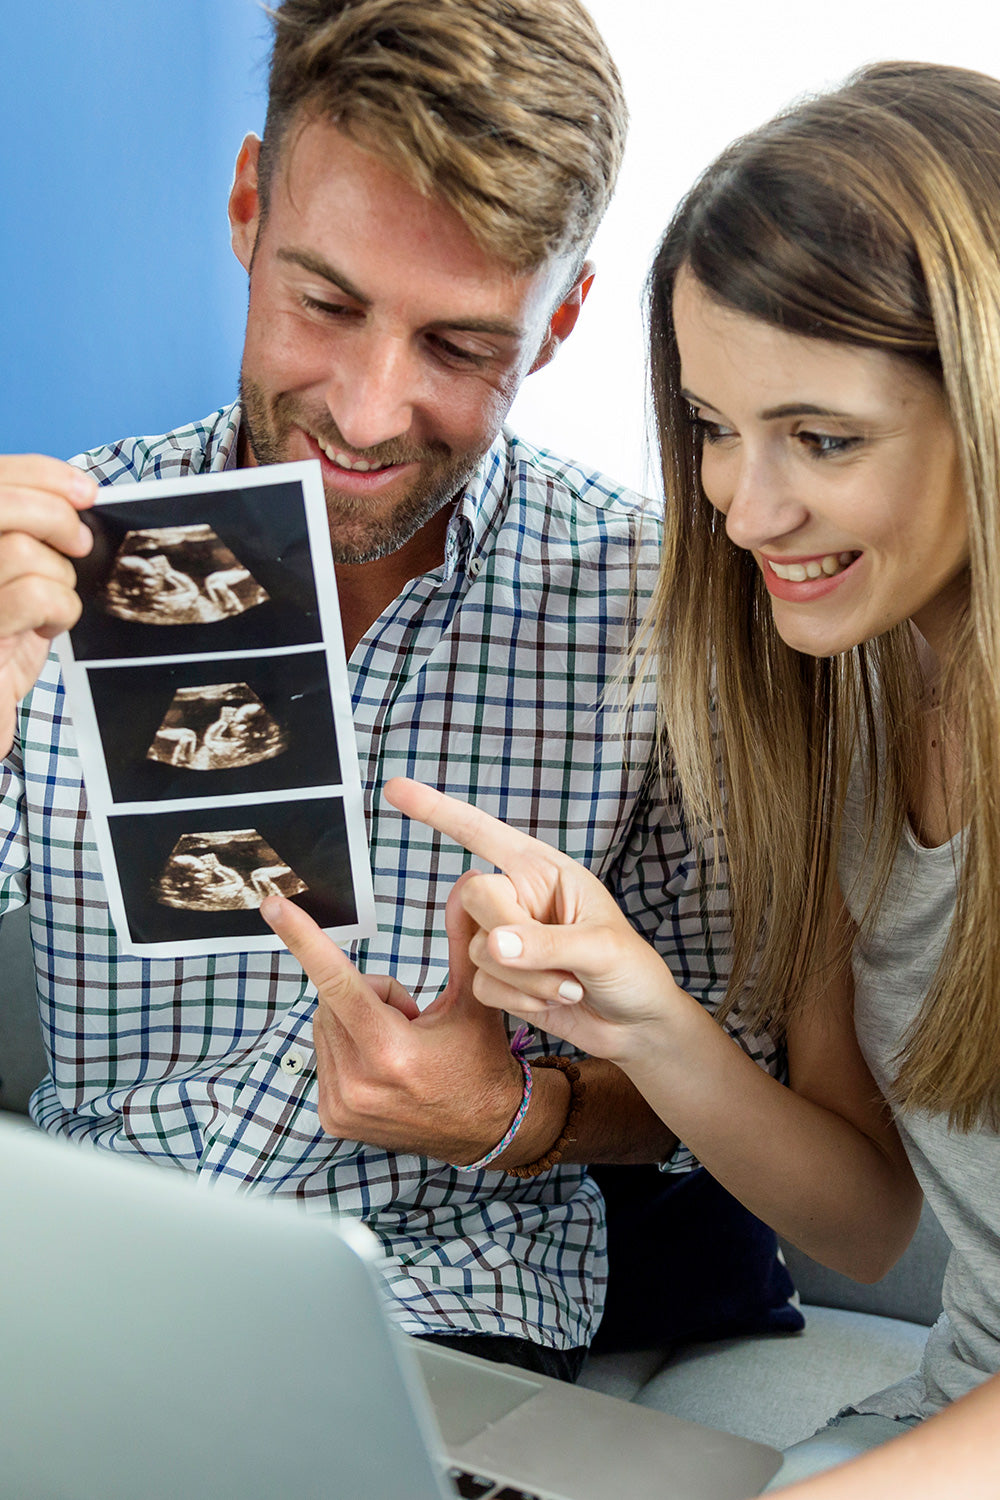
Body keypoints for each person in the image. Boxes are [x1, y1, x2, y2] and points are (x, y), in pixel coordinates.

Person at [0, 0, 776, 1381]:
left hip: (440, 1312)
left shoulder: (664, 616)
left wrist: (510, 1110)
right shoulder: (50, 561)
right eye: (326, 303)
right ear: (249, 205)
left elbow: (725, 1082)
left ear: (563, 321)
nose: (365, 412)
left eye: (462, 347)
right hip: (70, 1282)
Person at [366, 59, 1000, 1493]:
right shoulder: (851, 705)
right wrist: (642, 1014)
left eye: (822, 440)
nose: (742, 507)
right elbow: (861, 1217)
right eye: (713, 427)